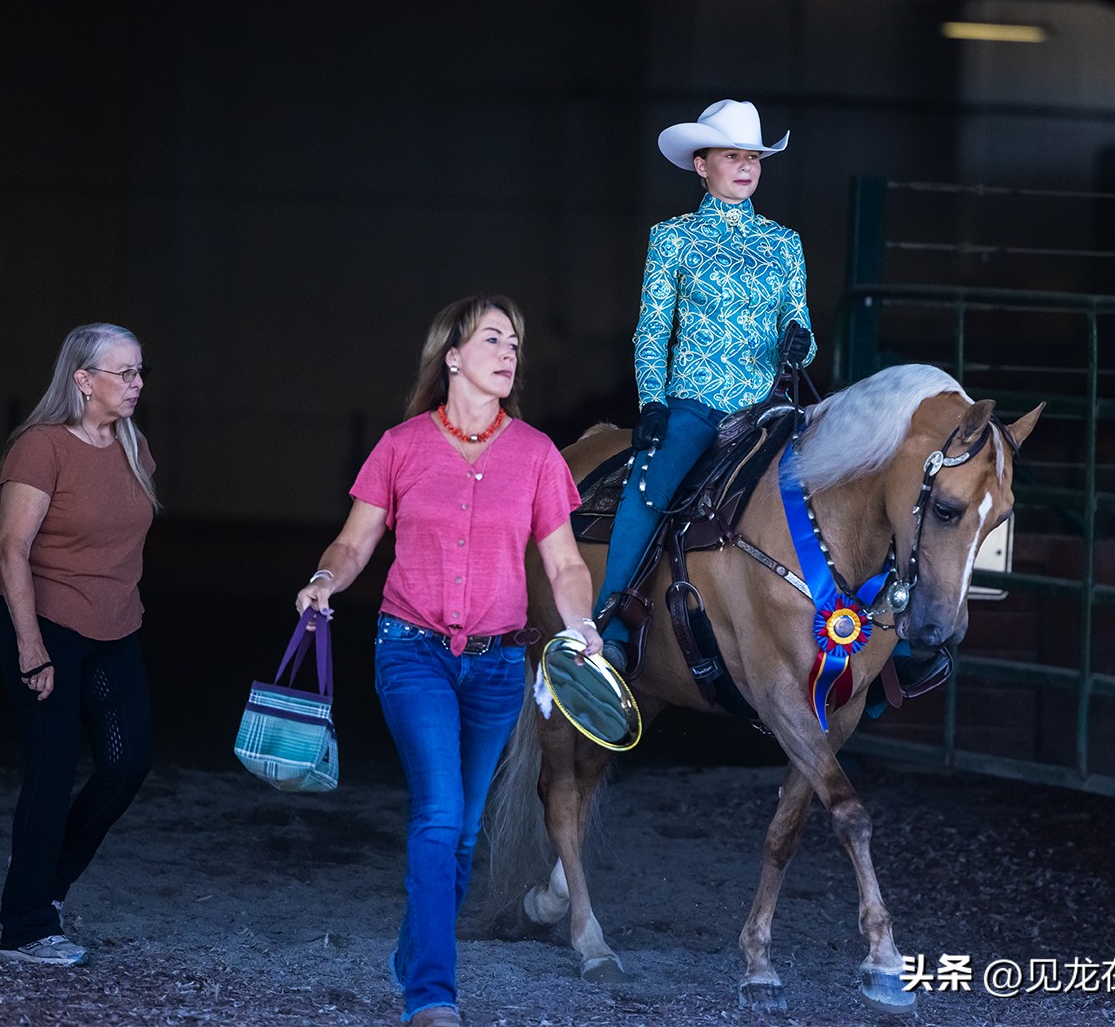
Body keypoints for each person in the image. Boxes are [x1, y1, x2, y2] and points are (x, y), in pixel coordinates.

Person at [295, 294, 600, 1027]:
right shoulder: (401, 446)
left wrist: (581, 620)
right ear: (453, 356)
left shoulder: (536, 454)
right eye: (493, 338)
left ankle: (412, 951)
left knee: (463, 830)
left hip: (498, 666)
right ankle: (431, 993)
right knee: (439, 814)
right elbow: (355, 540)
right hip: (412, 652)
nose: (509, 353)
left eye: (516, 344)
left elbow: (562, 563)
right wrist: (326, 578)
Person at [594, 99, 816, 667]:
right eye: (732, 156)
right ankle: (611, 628)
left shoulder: (784, 242)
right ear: (702, 165)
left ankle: (881, 636)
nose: (746, 167)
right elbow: (651, 330)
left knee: (838, 484)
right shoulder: (673, 238)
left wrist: (799, 343)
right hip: (695, 405)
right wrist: (652, 401)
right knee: (649, 487)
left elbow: (804, 326)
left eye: (755, 158)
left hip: (768, 408)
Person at [0, 323, 158, 965]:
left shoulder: (135, 449)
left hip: (116, 626)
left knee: (128, 761)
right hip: (44, 619)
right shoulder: (40, 447)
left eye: (141, 371)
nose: (137, 384)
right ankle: (26, 927)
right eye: (125, 373)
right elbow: (12, 549)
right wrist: (32, 648)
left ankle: (47, 881)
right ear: (83, 379)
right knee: (52, 768)